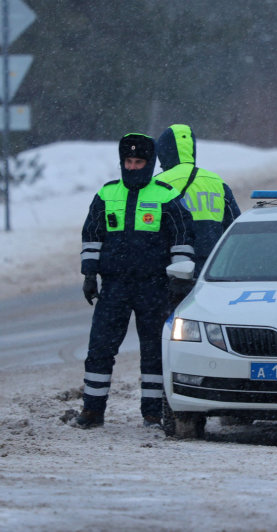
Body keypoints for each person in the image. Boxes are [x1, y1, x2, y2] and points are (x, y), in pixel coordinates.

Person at [75, 133, 195, 429]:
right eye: (127, 161)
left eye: (138, 161)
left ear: (149, 163)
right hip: (114, 286)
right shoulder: (106, 195)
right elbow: (92, 235)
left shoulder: (166, 196)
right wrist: (89, 274)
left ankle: (153, 414)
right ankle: (92, 411)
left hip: (153, 287)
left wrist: (179, 279)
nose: (132, 167)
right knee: (100, 349)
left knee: (154, 351)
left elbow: (182, 239)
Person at [155, 123, 241, 285]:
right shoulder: (216, 182)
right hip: (211, 268)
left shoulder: (158, 183)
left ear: (163, 151)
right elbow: (234, 225)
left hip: (171, 269)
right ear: (192, 150)